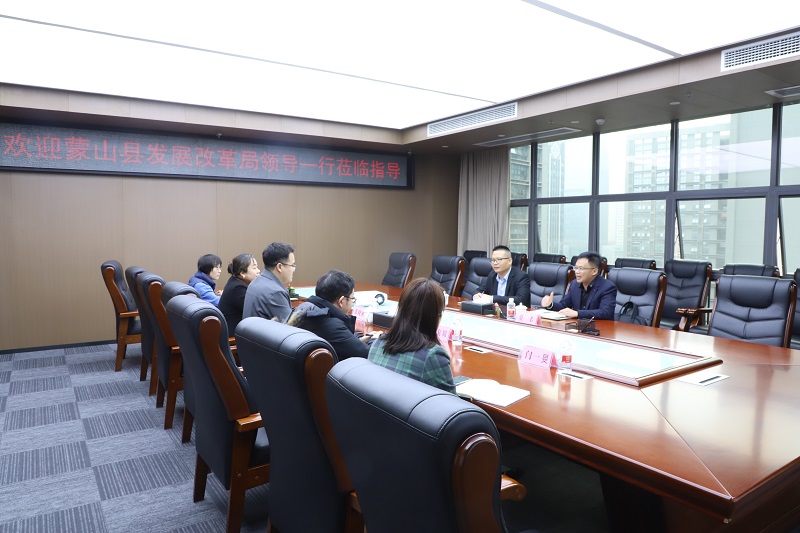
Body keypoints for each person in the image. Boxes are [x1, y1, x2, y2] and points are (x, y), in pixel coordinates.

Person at [368, 278, 455, 393]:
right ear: (436, 316)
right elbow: (451, 402)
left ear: (400, 310)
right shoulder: (433, 356)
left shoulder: (377, 344)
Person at [287, 270, 372, 360]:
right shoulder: (332, 325)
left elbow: (341, 342)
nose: (352, 303)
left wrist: (358, 341)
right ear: (341, 301)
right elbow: (369, 355)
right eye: (352, 299)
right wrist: (375, 340)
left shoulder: (304, 308)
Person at [541, 251, 616, 320]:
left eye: (581, 268)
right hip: (577, 326)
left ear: (594, 271)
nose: (576, 272)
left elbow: (606, 312)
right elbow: (564, 306)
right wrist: (550, 305)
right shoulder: (574, 284)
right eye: (576, 268)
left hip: (599, 328)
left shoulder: (607, 287)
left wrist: (577, 313)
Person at [243, 242, 296, 322]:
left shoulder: (256, 282)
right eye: (292, 265)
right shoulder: (276, 293)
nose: (294, 269)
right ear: (280, 267)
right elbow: (291, 325)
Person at [217, 253, 261, 333]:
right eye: (254, 268)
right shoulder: (237, 288)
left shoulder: (235, 282)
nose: (258, 271)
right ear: (242, 273)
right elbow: (255, 311)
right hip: (233, 335)